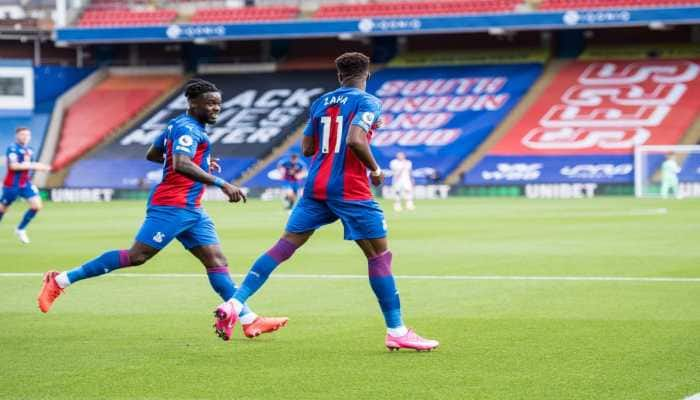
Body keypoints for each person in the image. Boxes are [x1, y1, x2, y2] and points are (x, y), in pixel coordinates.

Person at [212, 53, 438, 351]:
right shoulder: (368, 101)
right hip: (350, 188)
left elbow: (307, 148)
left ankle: (235, 302)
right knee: (379, 257)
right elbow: (355, 140)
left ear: (338, 75)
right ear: (366, 75)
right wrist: (375, 169)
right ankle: (396, 330)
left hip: (316, 185)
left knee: (284, 246)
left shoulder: (322, 102)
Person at [37, 79, 287, 339]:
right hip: (171, 205)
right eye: (210, 103)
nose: (216, 108)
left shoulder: (179, 125)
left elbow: (154, 154)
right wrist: (222, 183)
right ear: (192, 103)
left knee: (216, 261)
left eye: (218, 104)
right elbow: (179, 163)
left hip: (192, 209)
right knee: (137, 256)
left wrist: (201, 162)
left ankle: (249, 320)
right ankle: (59, 280)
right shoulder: (188, 128)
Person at [0, 127, 50, 244]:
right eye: (22, 135)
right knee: (3, 209)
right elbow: (14, 166)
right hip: (12, 185)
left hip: (25, 184)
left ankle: (20, 229)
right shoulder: (12, 149)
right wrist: (35, 165)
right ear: (17, 136)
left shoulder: (30, 150)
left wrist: (39, 167)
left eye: (27, 135)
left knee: (36, 206)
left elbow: (27, 167)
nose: (25, 137)